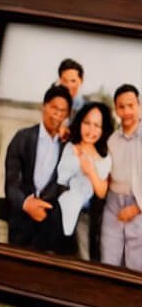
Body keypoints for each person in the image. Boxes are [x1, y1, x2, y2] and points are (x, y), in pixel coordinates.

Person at [4, 84, 71, 248]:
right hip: (21, 221)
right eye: (54, 108)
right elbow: (11, 182)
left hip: (51, 225)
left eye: (63, 111)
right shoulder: (23, 138)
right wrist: (27, 204)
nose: (57, 114)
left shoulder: (68, 146)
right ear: (44, 107)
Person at [49, 101, 113, 257]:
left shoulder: (105, 158)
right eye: (87, 123)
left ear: (103, 129)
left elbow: (101, 191)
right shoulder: (70, 147)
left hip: (86, 215)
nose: (91, 130)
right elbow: (60, 180)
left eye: (97, 125)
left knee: (83, 257)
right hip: (59, 208)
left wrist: (90, 171)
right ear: (80, 123)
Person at [101, 83, 142, 271]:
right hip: (113, 205)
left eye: (131, 106)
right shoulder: (111, 140)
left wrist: (137, 207)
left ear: (139, 105)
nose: (126, 111)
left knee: (135, 266)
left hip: (139, 205)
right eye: (121, 107)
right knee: (109, 262)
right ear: (116, 108)